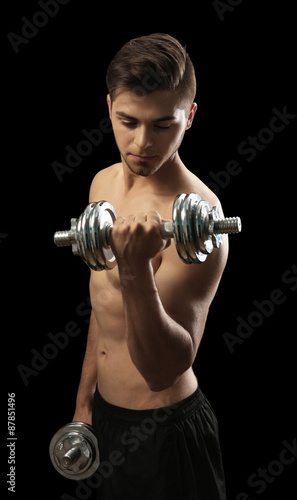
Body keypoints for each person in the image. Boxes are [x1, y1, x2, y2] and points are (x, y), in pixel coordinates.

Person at [73, 33, 228, 499]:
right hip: (106, 418)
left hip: (167, 434)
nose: (142, 142)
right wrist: (85, 403)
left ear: (190, 117)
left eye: (163, 125)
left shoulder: (202, 222)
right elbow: (104, 304)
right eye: (127, 121)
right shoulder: (102, 184)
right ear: (109, 107)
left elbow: (164, 370)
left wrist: (135, 269)